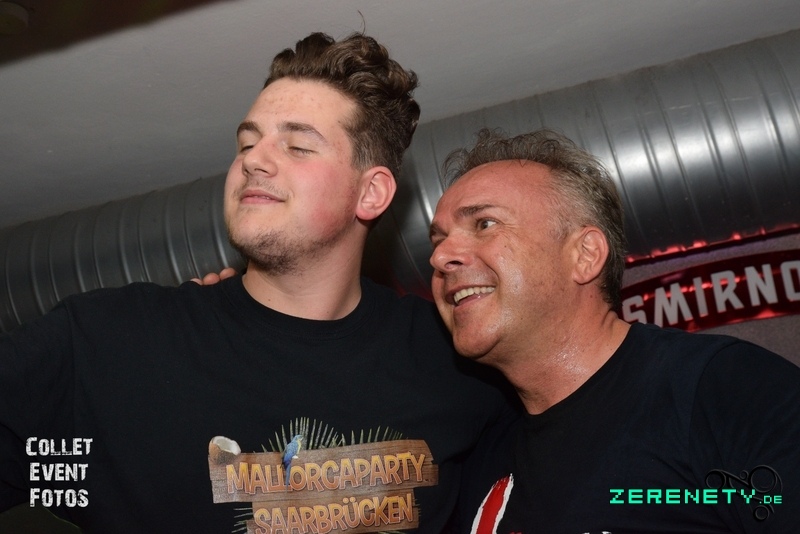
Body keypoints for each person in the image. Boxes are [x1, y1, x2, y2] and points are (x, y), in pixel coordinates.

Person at [0, 33, 517, 533]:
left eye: (297, 146)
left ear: (371, 194)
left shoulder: (457, 360)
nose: (252, 160)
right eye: (247, 142)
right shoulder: (106, 344)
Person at [428, 128, 800, 533]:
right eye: (438, 240)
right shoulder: (479, 461)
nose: (441, 256)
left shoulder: (727, 390)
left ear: (585, 255)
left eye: (485, 223)